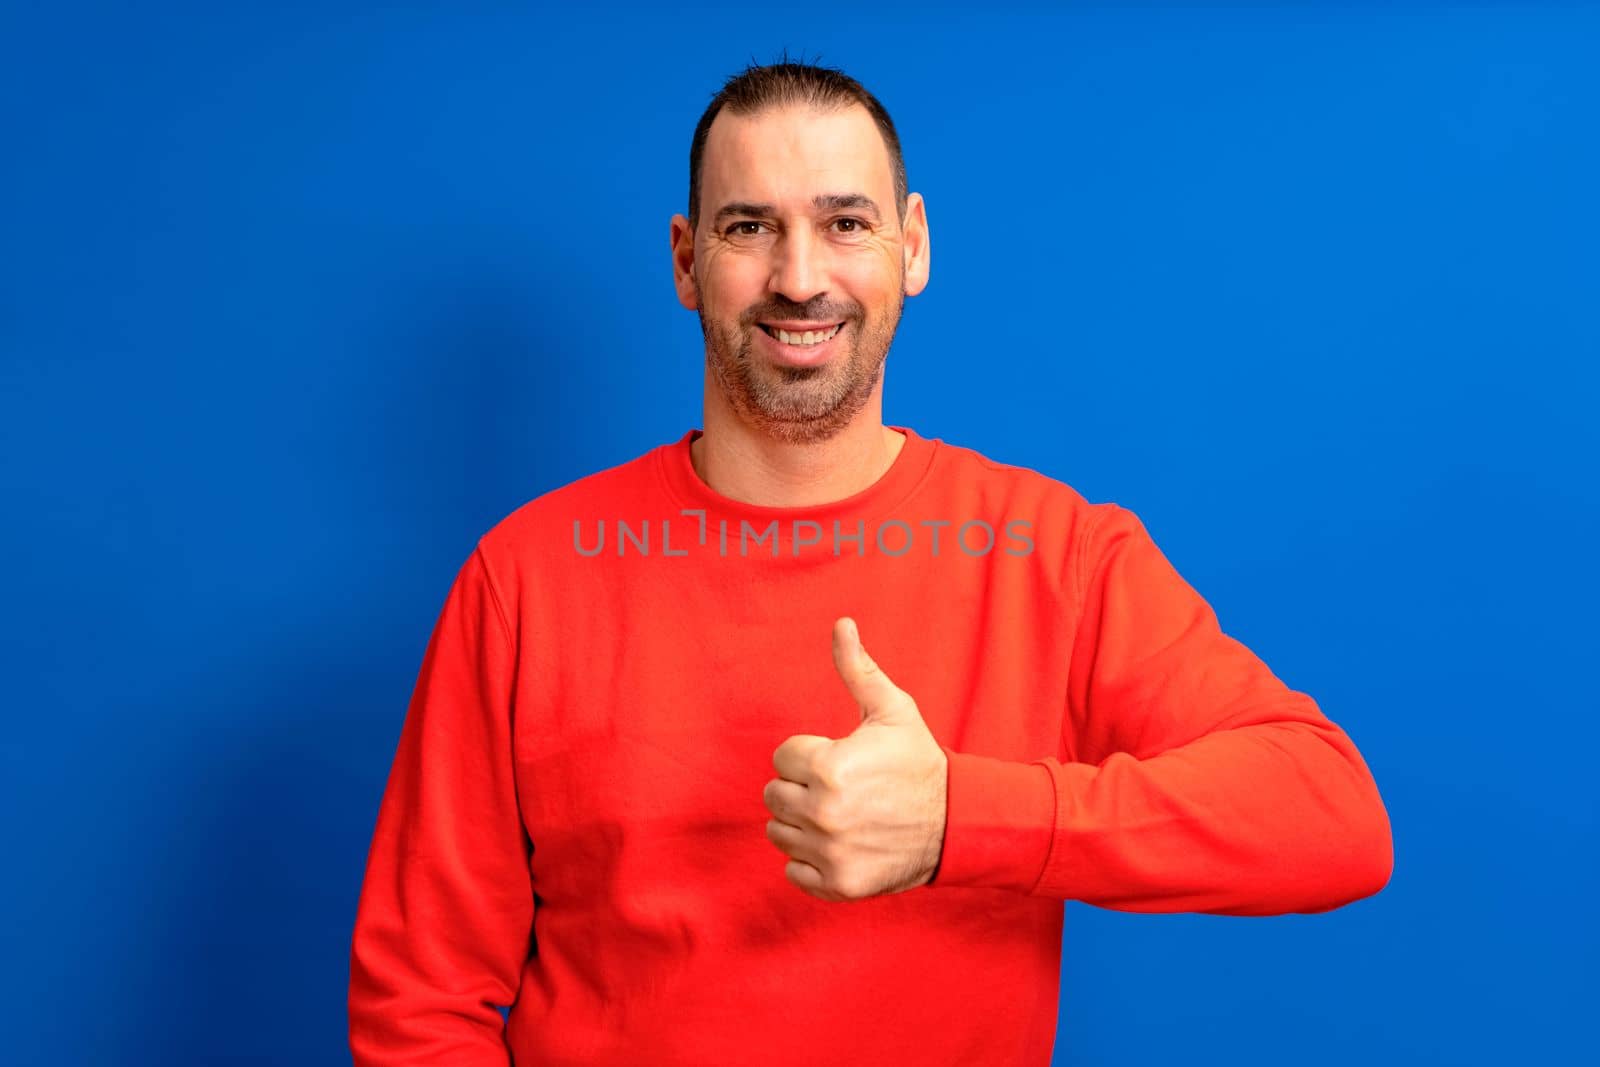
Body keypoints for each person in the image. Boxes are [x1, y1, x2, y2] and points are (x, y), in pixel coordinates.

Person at [348, 58, 1394, 1067]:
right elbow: (420, 1000)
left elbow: (1330, 816)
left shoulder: (1055, 553)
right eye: (750, 227)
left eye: (844, 224)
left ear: (912, 246)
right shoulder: (525, 576)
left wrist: (959, 820)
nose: (799, 279)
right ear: (684, 259)